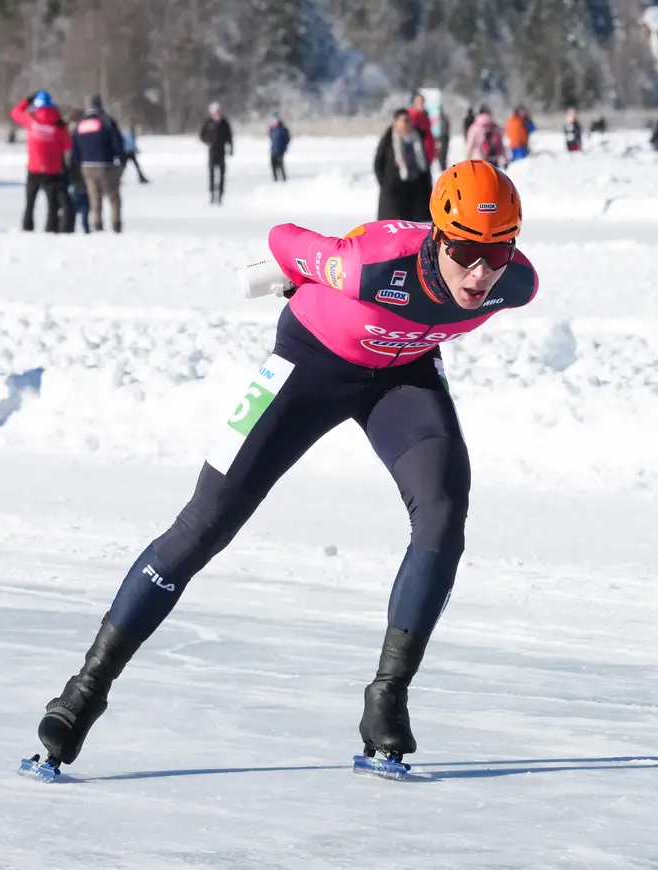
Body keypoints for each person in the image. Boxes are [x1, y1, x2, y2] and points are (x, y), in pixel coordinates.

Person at [33, 160, 539, 772]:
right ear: (437, 236)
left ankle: (388, 698)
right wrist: (307, 274)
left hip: (402, 375)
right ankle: (84, 692)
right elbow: (281, 239)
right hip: (310, 363)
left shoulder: (519, 283)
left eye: (499, 252)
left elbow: (487, 275)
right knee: (206, 522)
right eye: (465, 251)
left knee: (443, 512)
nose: (482, 273)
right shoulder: (371, 263)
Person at [9, 90, 72, 233]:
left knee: (30, 202)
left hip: (34, 168)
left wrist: (27, 100)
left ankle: (27, 227)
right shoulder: (59, 125)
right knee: (52, 203)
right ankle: (50, 229)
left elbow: (15, 112)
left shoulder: (31, 120)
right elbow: (66, 146)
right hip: (53, 170)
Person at [73, 94, 125, 233]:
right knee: (113, 197)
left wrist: (78, 164)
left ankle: (97, 224)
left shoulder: (81, 123)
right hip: (106, 164)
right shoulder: (107, 121)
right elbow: (118, 143)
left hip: (87, 166)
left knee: (94, 197)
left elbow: (75, 147)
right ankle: (116, 225)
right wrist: (120, 161)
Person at [373, 108, 432, 221]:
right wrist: (386, 184)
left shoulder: (416, 137)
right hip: (395, 191)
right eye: (403, 121)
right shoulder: (388, 139)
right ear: (396, 122)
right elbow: (378, 163)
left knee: (415, 226)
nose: (406, 124)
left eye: (408, 120)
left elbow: (424, 164)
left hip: (415, 189)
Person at [200, 102, 233, 204]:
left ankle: (220, 195)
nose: (217, 114)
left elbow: (229, 136)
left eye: (218, 112)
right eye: (215, 112)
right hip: (212, 151)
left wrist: (231, 148)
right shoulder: (208, 122)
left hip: (221, 151)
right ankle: (212, 193)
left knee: (222, 173)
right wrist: (207, 142)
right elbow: (201, 135)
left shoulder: (224, 122)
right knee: (211, 173)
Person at [66, 109, 90, 233]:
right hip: (79, 171)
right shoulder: (80, 133)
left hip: (74, 172)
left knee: (78, 201)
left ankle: (71, 226)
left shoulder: (70, 133)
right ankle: (83, 228)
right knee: (82, 201)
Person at [408, 92, 437, 169]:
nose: (422, 104)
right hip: (418, 156)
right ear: (413, 103)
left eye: (423, 102)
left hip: (427, 154)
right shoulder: (412, 116)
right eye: (419, 102)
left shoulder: (423, 115)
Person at [268, 112, 291, 181]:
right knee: (273, 165)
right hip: (273, 150)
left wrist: (284, 148)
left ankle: (284, 179)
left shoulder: (282, 129)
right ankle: (275, 179)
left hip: (280, 151)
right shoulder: (272, 129)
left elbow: (287, 139)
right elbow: (271, 137)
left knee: (280, 166)